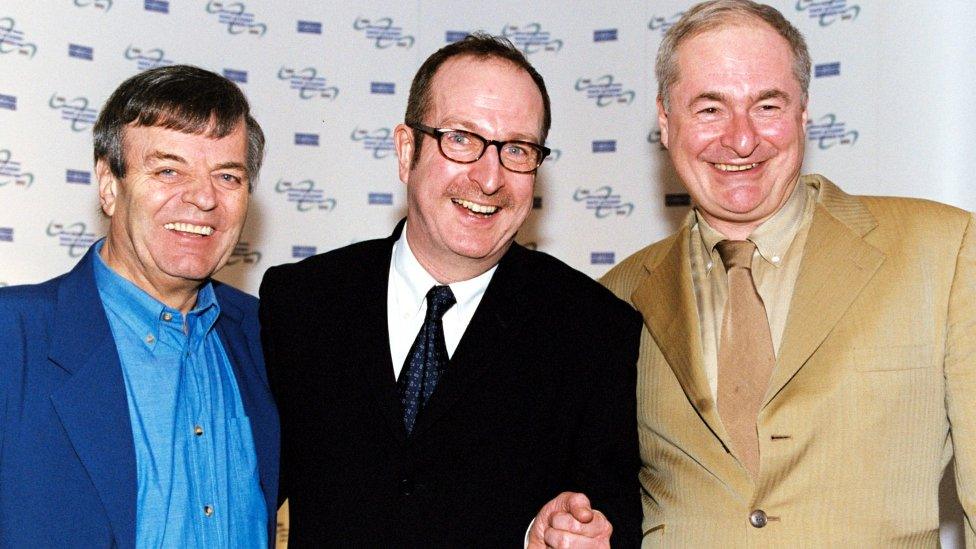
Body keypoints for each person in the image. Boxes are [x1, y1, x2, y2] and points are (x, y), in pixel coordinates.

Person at [600, 0, 976, 545]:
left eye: (767, 105)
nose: (741, 138)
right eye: (710, 109)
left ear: (803, 112)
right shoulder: (615, 297)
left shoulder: (942, 252)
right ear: (664, 120)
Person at [260, 33, 642, 547]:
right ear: (405, 150)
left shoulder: (592, 328)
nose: (489, 178)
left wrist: (556, 534)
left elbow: (613, 516)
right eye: (461, 139)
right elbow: (244, 487)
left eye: (517, 149)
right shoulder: (301, 303)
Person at [0, 65, 278, 548]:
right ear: (109, 185)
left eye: (227, 176)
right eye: (169, 170)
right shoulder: (12, 338)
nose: (202, 198)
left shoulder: (268, 335)